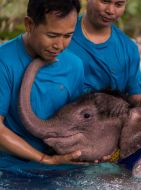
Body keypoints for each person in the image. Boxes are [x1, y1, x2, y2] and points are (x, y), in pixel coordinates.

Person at [0, 0, 87, 171]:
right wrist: (44, 159)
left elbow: (79, 123)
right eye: (52, 36)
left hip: (63, 165)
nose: (59, 45)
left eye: (68, 36)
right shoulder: (3, 61)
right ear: (29, 24)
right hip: (11, 168)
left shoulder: (74, 65)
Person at [68, 0, 141, 106]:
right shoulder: (61, 34)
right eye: (105, 1)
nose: (110, 11)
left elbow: (136, 98)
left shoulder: (129, 49)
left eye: (119, 4)